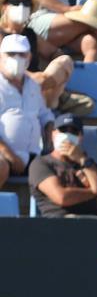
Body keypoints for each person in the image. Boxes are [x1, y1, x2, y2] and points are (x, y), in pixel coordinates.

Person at [0, 0, 73, 109]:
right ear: (5, 6)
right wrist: (33, 77)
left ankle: (49, 97)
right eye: (15, 2)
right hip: (8, 89)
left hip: (38, 87)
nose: (21, 7)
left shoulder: (31, 34)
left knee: (65, 60)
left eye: (26, 3)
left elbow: (54, 52)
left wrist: (49, 75)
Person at [29, 113, 97, 217]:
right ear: (53, 134)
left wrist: (82, 159)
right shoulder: (41, 163)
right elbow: (62, 197)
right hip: (61, 223)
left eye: (73, 131)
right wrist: (94, 192)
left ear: (80, 137)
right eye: (63, 130)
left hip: (94, 222)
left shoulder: (88, 164)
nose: (68, 135)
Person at [0, 33, 53, 189]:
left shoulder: (33, 86)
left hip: (34, 156)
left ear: (29, 58)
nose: (17, 58)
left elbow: (45, 115)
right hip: (5, 155)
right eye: (11, 54)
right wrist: (10, 156)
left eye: (22, 54)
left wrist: (50, 135)